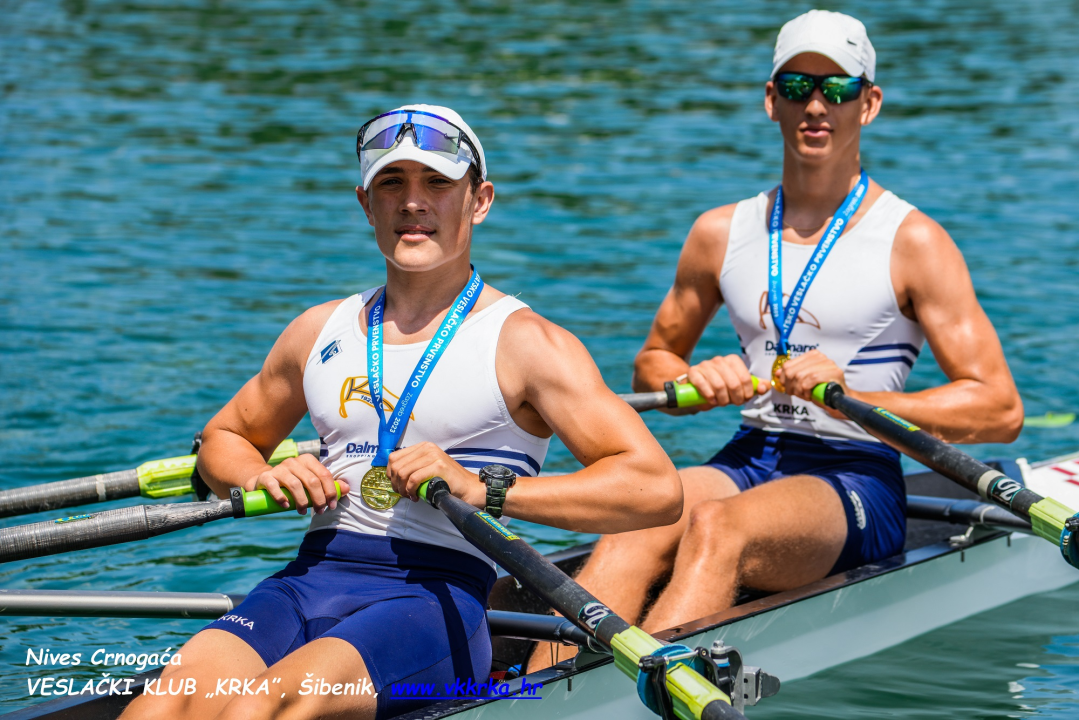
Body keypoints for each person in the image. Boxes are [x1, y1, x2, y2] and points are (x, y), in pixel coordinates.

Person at [123, 104, 681, 720]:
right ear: (366, 203)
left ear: (480, 199)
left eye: (437, 183)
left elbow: (653, 489)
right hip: (308, 580)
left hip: (432, 601)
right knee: (158, 709)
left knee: (261, 710)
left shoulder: (527, 344)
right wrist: (257, 475)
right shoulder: (318, 331)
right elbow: (223, 437)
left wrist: (485, 489)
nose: (413, 202)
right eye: (392, 183)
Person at [529, 10, 1022, 670]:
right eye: (796, 87)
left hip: (855, 473)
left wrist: (854, 396)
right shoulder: (719, 233)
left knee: (715, 527)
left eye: (837, 89)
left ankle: (629, 703)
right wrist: (691, 382)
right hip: (750, 452)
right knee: (632, 525)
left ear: (867, 105)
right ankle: (541, 697)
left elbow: (998, 408)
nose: (816, 105)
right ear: (771, 101)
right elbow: (653, 364)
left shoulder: (912, 242)